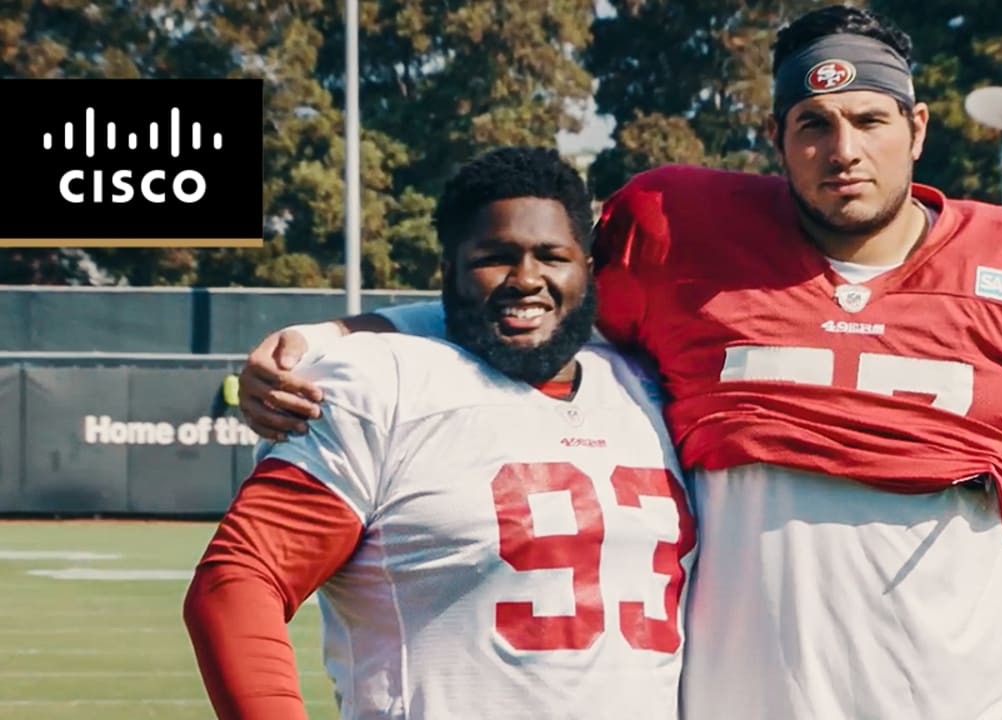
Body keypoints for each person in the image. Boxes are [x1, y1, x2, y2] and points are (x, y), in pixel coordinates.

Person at [239, 6, 1002, 720]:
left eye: (869, 120)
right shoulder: (679, 238)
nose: (844, 150)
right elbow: (532, 297)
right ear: (776, 135)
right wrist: (338, 334)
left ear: (916, 127)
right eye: (813, 124)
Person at [184, 147, 697, 720]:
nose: (527, 278)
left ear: (588, 269)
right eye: (495, 257)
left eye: (552, 256)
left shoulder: (647, 385)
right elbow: (237, 585)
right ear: (447, 272)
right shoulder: (380, 382)